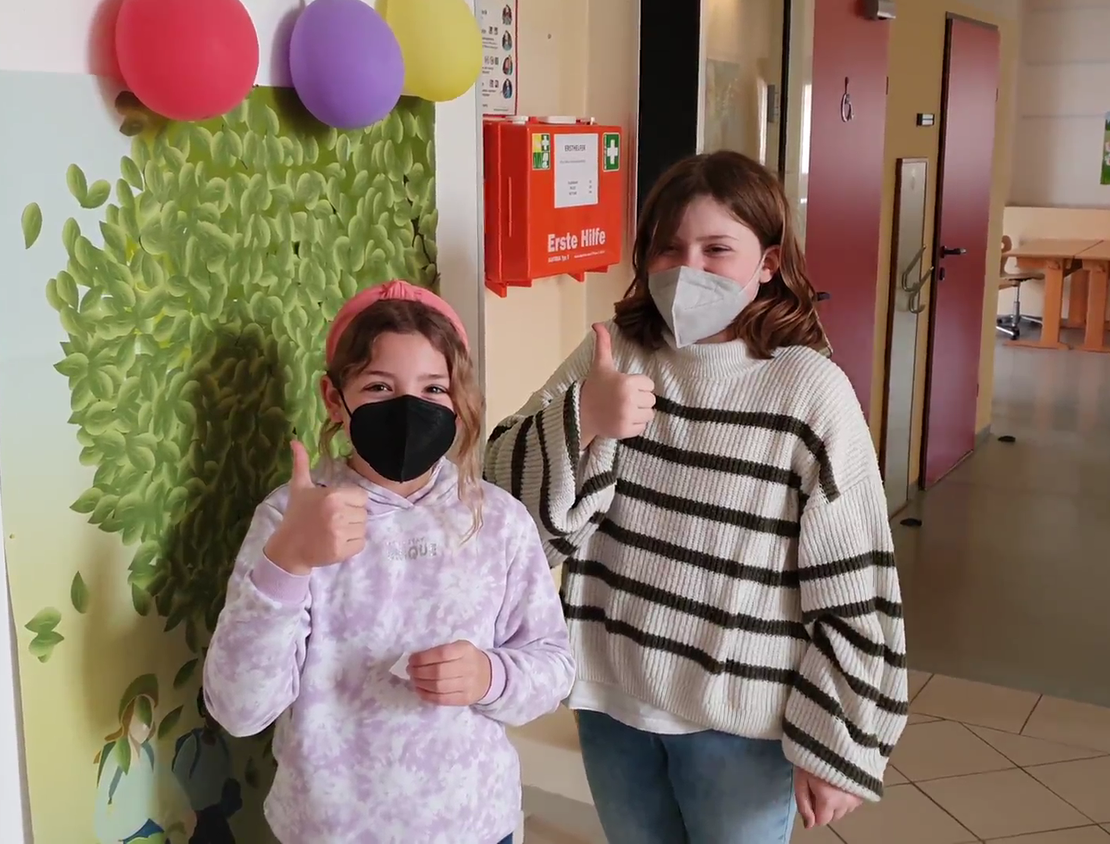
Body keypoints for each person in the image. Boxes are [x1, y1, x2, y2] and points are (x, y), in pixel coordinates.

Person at [485, 151, 907, 843]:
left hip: (741, 725)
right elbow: (504, 505)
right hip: (610, 701)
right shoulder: (616, 352)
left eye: (717, 249)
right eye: (668, 248)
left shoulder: (809, 390)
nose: (688, 270)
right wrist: (584, 419)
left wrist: (839, 739)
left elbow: (853, 574)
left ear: (768, 262)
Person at [204, 281, 575, 844]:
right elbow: (239, 709)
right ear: (335, 399)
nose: (409, 408)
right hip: (329, 831)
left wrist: (488, 676)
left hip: (475, 826)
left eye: (433, 388)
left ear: (458, 400)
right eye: (379, 386)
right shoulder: (292, 517)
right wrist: (288, 561)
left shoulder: (498, 520)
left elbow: (553, 666)